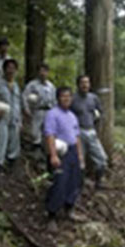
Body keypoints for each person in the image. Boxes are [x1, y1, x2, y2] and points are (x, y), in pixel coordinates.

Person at [44, 87, 86, 233]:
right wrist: (53, 155)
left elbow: (77, 137)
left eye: (69, 96)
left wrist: (80, 157)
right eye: (63, 96)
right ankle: (52, 216)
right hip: (61, 152)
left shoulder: (72, 116)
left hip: (73, 151)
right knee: (59, 182)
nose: (66, 99)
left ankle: (69, 210)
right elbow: (50, 135)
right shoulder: (52, 114)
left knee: (74, 182)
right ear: (58, 98)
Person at [71, 75, 108, 190]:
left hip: (91, 131)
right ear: (78, 84)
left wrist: (98, 117)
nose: (85, 85)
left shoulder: (93, 98)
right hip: (78, 133)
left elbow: (100, 112)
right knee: (79, 160)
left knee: (101, 158)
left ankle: (99, 182)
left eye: (87, 82)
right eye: (82, 82)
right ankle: (79, 185)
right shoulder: (73, 98)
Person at [22, 63, 56, 154]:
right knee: (35, 131)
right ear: (38, 72)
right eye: (41, 71)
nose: (43, 73)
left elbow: (54, 100)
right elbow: (24, 96)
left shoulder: (51, 86)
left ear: (48, 72)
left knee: (48, 131)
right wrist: (26, 109)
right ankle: (35, 150)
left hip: (48, 111)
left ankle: (46, 151)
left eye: (45, 71)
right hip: (37, 110)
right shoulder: (32, 85)